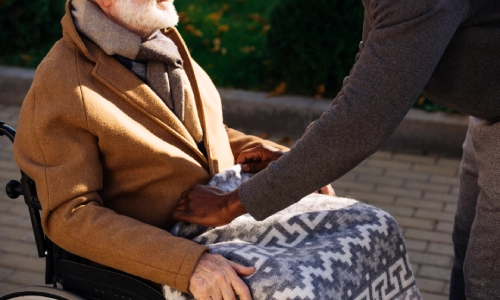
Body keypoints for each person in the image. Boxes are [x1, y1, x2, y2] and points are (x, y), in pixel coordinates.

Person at [172, 0, 500, 299]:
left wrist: (232, 203)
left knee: (488, 276)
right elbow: (371, 68)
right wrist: (303, 163)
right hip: (488, 115)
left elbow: (365, 118)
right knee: (469, 244)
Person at [13, 0, 335, 299]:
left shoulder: (157, 39)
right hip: (159, 263)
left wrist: (268, 156)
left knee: (355, 239)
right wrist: (186, 263)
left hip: (229, 227)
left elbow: (193, 134)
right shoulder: (62, 81)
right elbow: (71, 216)